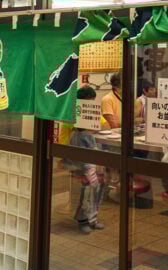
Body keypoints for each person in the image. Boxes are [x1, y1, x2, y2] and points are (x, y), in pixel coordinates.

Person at [67, 87, 105, 234]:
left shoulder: (91, 111)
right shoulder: (75, 110)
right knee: (86, 188)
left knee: (97, 186)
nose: (92, 102)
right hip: (81, 155)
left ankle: (93, 218)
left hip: (92, 151)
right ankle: (82, 219)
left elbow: (102, 125)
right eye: (90, 99)